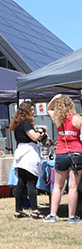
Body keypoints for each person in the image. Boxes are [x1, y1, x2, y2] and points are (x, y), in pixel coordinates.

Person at [44, 94, 82, 223]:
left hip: (60, 152)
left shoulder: (57, 118)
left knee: (57, 186)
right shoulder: (78, 119)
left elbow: (48, 109)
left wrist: (54, 98)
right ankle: (72, 217)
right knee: (73, 187)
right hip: (76, 153)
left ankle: (52, 215)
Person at [9, 101, 46, 219]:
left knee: (21, 182)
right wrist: (41, 130)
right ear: (26, 110)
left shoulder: (18, 122)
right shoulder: (25, 122)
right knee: (31, 182)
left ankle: (18, 209)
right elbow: (34, 137)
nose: (33, 112)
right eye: (32, 109)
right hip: (28, 153)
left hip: (21, 153)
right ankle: (35, 210)